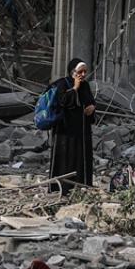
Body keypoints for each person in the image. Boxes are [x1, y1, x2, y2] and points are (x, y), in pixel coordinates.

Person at [49, 58, 96, 195]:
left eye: (85, 72)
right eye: (80, 72)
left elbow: (91, 101)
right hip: (64, 131)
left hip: (82, 130)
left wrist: (92, 108)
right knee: (65, 158)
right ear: (72, 71)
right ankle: (60, 188)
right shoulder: (62, 84)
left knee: (81, 157)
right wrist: (74, 88)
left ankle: (82, 187)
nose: (83, 74)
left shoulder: (85, 85)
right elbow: (62, 102)